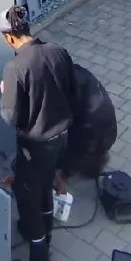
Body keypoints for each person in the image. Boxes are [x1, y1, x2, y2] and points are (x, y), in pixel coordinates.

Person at [0, 4, 77, 261]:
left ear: (9, 36)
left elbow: (9, 117)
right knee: (44, 186)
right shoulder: (58, 52)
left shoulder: (15, 68)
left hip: (35, 147)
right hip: (61, 139)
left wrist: (4, 93)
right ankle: (47, 233)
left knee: (28, 199)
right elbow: (73, 91)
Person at [55, 62, 118, 191]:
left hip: (95, 131)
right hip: (105, 126)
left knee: (74, 150)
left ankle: (74, 167)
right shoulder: (74, 73)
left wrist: (61, 173)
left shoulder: (88, 123)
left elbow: (76, 143)